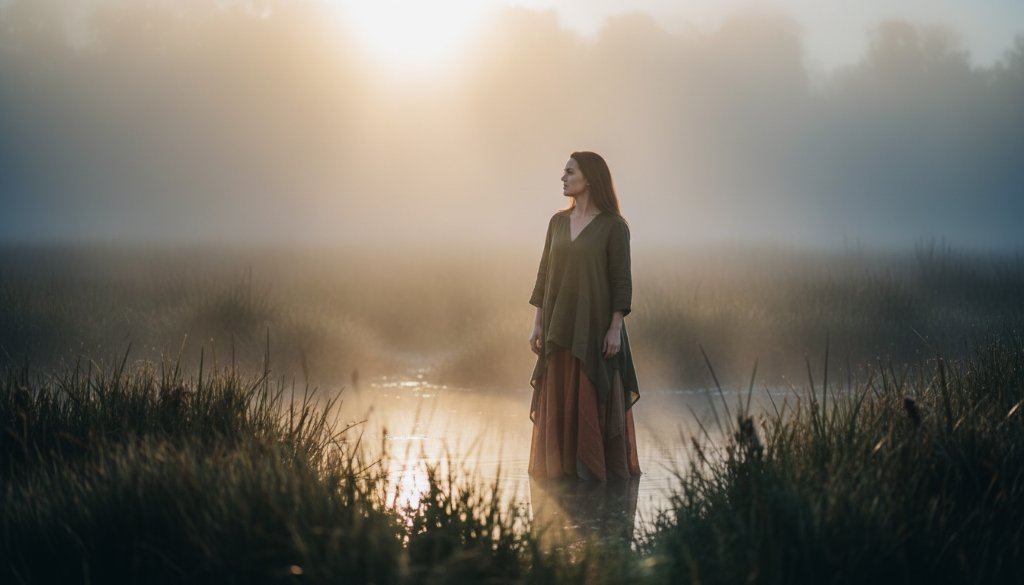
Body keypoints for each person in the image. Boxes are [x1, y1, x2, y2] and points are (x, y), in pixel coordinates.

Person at [528, 151, 641, 481]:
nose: (563, 178)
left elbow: (621, 281)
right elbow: (544, 274)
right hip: (559, 326)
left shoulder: (614, 227)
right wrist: (537, 323)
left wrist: (614, 328)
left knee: (591, 394)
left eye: (569, 172)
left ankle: (593, 475)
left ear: (589, 178)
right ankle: (561, 476)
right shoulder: (557, 222)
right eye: (564, 173)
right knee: (561, 395)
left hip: (596, 330)